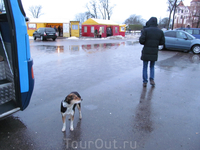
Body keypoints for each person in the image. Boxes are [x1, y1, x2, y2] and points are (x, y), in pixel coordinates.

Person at [139, 17, 165, 87]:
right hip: (154, 51)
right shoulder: (160, 31)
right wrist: (155, 43)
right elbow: (162, 42)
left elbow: (141, 41)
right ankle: (152, 79)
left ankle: (145, 81)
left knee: (145, 66)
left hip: (146, 50)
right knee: (152, 66)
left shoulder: (146, 30)